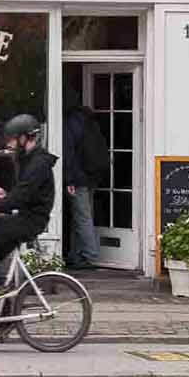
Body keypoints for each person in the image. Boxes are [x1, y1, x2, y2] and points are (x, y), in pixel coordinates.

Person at [0, 112, 57, 293]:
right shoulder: (30, 160)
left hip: (30, 221)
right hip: (26, 217)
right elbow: (25, 194)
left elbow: (20, 198)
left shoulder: (38, 164)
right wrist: (6, 194)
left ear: (24, 138)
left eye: (12, 140)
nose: (9, 144)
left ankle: (2, 289)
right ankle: (6, 315)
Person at [59, 98, 106, 271]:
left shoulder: (68, 122)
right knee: (81, 214)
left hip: (79, 175)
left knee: (81, 215)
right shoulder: (86, 119)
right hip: (92, 173)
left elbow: (69, 153)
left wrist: (70, 179)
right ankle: (76, 255)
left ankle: (89, 255)